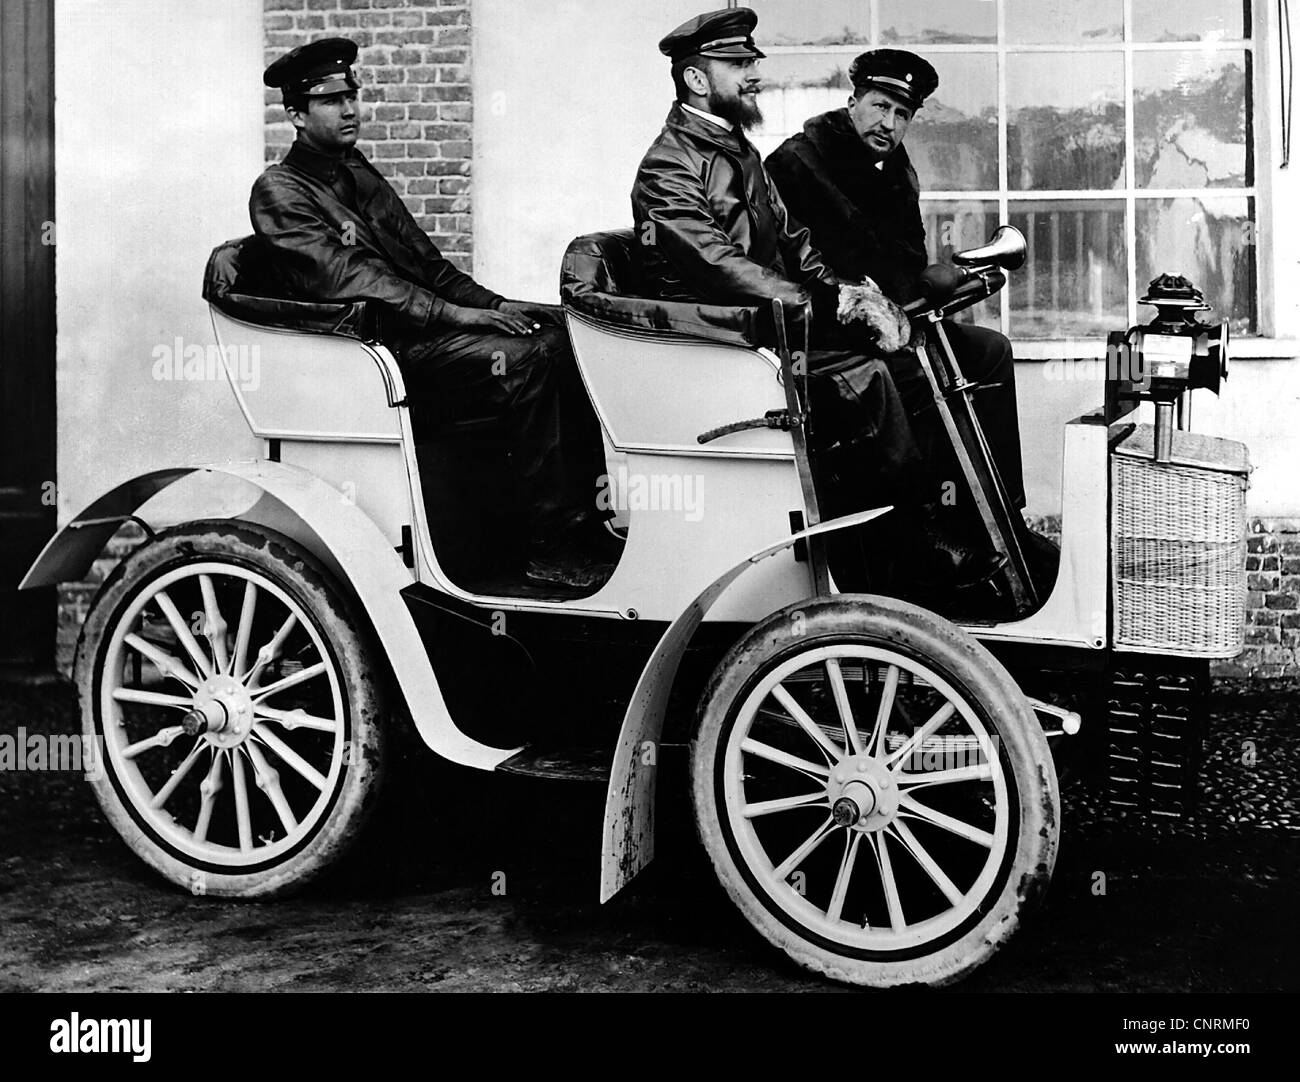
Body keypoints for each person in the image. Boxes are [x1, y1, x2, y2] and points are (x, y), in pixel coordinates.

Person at [631, 8, 1003, 590]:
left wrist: (844, 292)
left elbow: (793, 240)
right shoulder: (668, 165)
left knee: (912, 364)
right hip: (714, 344)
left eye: (751, 62)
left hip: (762, 330)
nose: (752, 75)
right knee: (870, 375)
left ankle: (935, 532)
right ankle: (907, 555)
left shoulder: (736, 150)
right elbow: (719, 266)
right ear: (696, 80)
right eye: (737, 65)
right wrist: (828, 307)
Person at [251, 38, 611, 590]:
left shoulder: (357, 172)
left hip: (417, 344)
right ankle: (548, 547)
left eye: (351, 95)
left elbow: (427, 264)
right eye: (329, 101)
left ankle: (584, 525)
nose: (349, 109)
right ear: (296, 115)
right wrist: (460, 319)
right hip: (372, 357)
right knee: (520, 360)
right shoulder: (279, 190)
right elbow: (355, 281)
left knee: (563, 333)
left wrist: (496, 305)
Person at [765, 48, 1027, 516]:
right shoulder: (796, 163)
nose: (888, 123)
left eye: (901, 113)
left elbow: (909, 257)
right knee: (920, 375)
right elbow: (791, 267)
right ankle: (929, 520)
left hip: (895, 323)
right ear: (853, 103)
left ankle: (1001, 509)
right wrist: (872, 313)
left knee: (989, 351)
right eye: (879, 106)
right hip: (825, 330)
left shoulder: (896, 169)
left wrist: (920, 305)